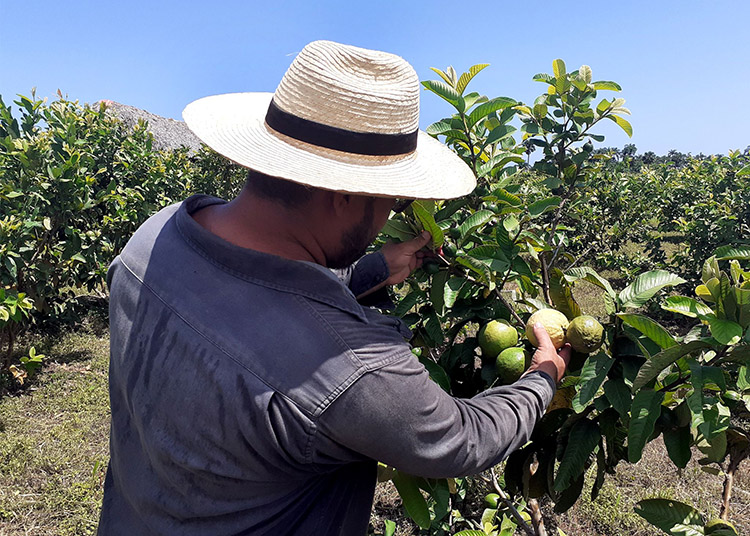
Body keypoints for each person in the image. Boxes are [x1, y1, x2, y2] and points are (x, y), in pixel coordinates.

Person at [98, 40, 571, 535]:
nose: (392, 212)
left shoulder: (155, 236)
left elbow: (260, 294)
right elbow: (461, 440)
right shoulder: (354, 368)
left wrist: (370, 271)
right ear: (345, 195)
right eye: (394, 198)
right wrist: (541, 378)